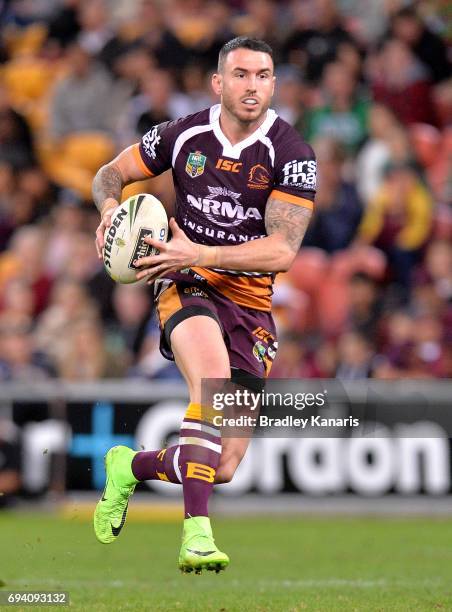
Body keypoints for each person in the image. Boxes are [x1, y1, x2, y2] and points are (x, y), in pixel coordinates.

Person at [91, 37, 316, 573]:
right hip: (182, 278)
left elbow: (282, 249)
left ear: (273, 84)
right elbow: (109, 175)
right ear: (219, 83)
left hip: (251, 302)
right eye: (240, 74)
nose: (252, 85)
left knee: (227, 463)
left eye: (262, 75)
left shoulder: (292, 154)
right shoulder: (183, 133)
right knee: (211, 382)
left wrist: (205, 248)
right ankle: (196, 535)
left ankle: (130, 465)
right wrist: (107, 212)